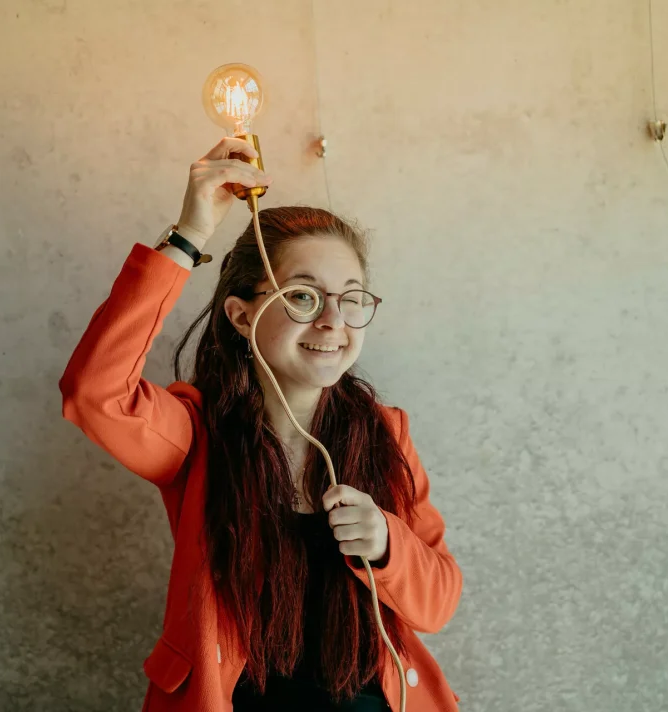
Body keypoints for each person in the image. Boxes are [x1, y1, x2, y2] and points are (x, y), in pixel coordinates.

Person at [58, 137, 463, 711]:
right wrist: (187, 235)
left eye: (351, 299)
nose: (332, 321)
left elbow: (439, 602)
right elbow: (93, 393)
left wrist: (386, 543)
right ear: (242, 316)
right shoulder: (198, 434)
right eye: (302, 296)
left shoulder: (386, 432)